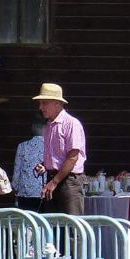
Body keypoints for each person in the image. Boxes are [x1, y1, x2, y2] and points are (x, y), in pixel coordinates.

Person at [31, 83, 86, 215]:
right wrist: (45, 165)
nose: (41, 107)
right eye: (40, 103)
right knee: (53, 227)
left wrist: (54, 182)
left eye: (44, 103)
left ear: (57, 103)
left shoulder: (71, 123)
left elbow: (73, 157)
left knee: (73, 227)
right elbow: (59, 156)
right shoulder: (49, 126)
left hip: (69, 182)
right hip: (53, 179)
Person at [12, 118, 46, 211]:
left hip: (24, 190)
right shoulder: (49, 146)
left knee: (26, 220)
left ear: (34, 127)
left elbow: (17, 169)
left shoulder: (22, 146)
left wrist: (15, 187)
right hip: (42, 190)